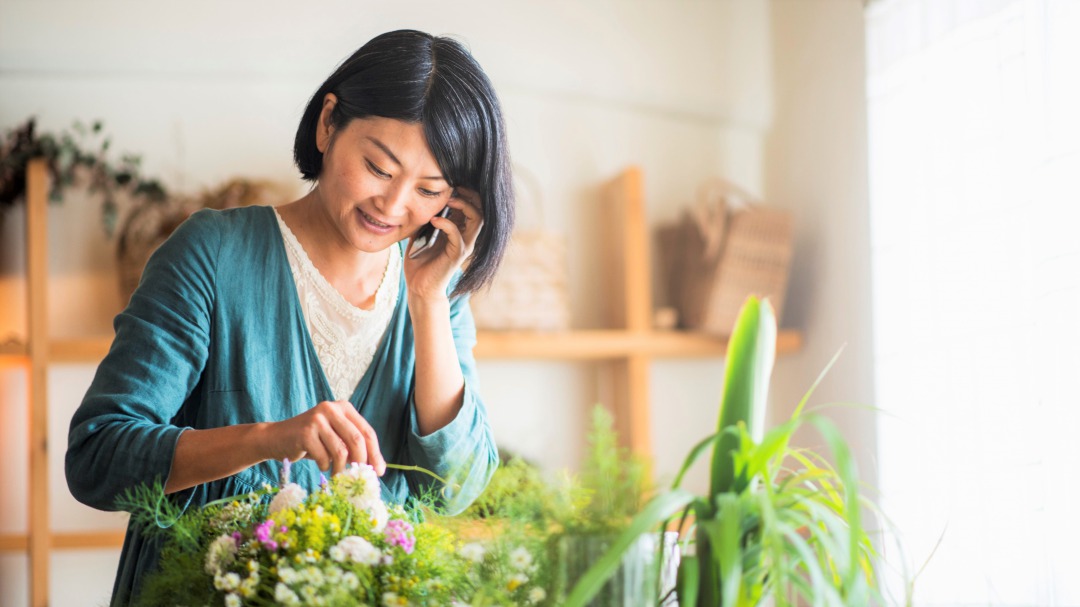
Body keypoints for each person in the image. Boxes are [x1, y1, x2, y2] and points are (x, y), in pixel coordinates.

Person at [65, 29, 511, 605]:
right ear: (328, 124)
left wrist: (427, 299)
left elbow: (458, 487)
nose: (395, 206)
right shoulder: (214, 254)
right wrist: (270, 438)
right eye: (378, 167)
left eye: (429, 190)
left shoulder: (438, 290)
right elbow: (97, 457)